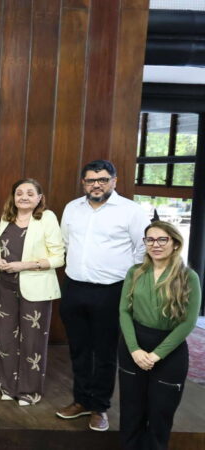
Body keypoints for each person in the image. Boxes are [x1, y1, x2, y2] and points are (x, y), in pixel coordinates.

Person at [56, 160, 149, 431]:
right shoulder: (72, 208)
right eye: (90, 180)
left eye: (102, 179)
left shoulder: (131, 211)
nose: (96, 184)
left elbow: (141, 250)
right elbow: (65, 243)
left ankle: (100, 407)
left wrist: (130, 285)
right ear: (83, 182)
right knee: (79, 349)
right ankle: (80, 401)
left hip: (112, 291)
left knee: (105, 352)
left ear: (114, 181)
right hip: (74, 288)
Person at [118, 221, 201, 450]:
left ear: (175, 243)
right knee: (131, 413)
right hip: (133, 348)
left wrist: (155, 356)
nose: (155, 244)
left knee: (159, 417)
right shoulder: (135, 272)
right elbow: (124, 312)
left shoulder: (188, 277)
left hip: (169, 353)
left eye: (162, 239)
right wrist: (134, 349)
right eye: (150, 240)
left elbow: (188, 323)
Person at [0, 179, 64, 406]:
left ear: (39, 198)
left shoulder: (47, 218)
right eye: (19, 192)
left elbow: (58, 257)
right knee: (6, 339)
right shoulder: (6, 218)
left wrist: (24, 265)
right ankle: (8, 387)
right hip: (6, 285)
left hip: (36, 288)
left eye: (30, 193)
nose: (24, 197)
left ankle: (29, 392)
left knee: (32, 342)